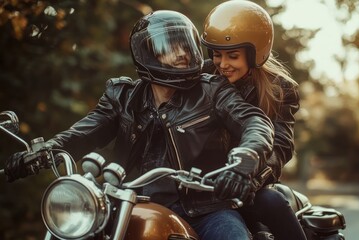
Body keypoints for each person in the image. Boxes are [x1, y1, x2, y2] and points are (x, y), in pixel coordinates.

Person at [4, 10, 275, 240]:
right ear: (148, 54)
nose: (181, 53)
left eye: (185, 46)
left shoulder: (212, 91)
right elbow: (83, 133)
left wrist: (247, 157)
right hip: (129, 203)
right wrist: (45, 149)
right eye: (170, 47)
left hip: (206, 209)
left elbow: (254, 121)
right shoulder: (121, 96)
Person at [201, 1, 307, 239]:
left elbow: (280, 146)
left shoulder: (280, 89)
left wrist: (248, 175)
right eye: (217, 54)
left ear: (255, 54)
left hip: (250, 181)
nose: (223, 64)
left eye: (233, 56)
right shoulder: (202, 77)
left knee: (272, 201)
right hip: (202, 184)